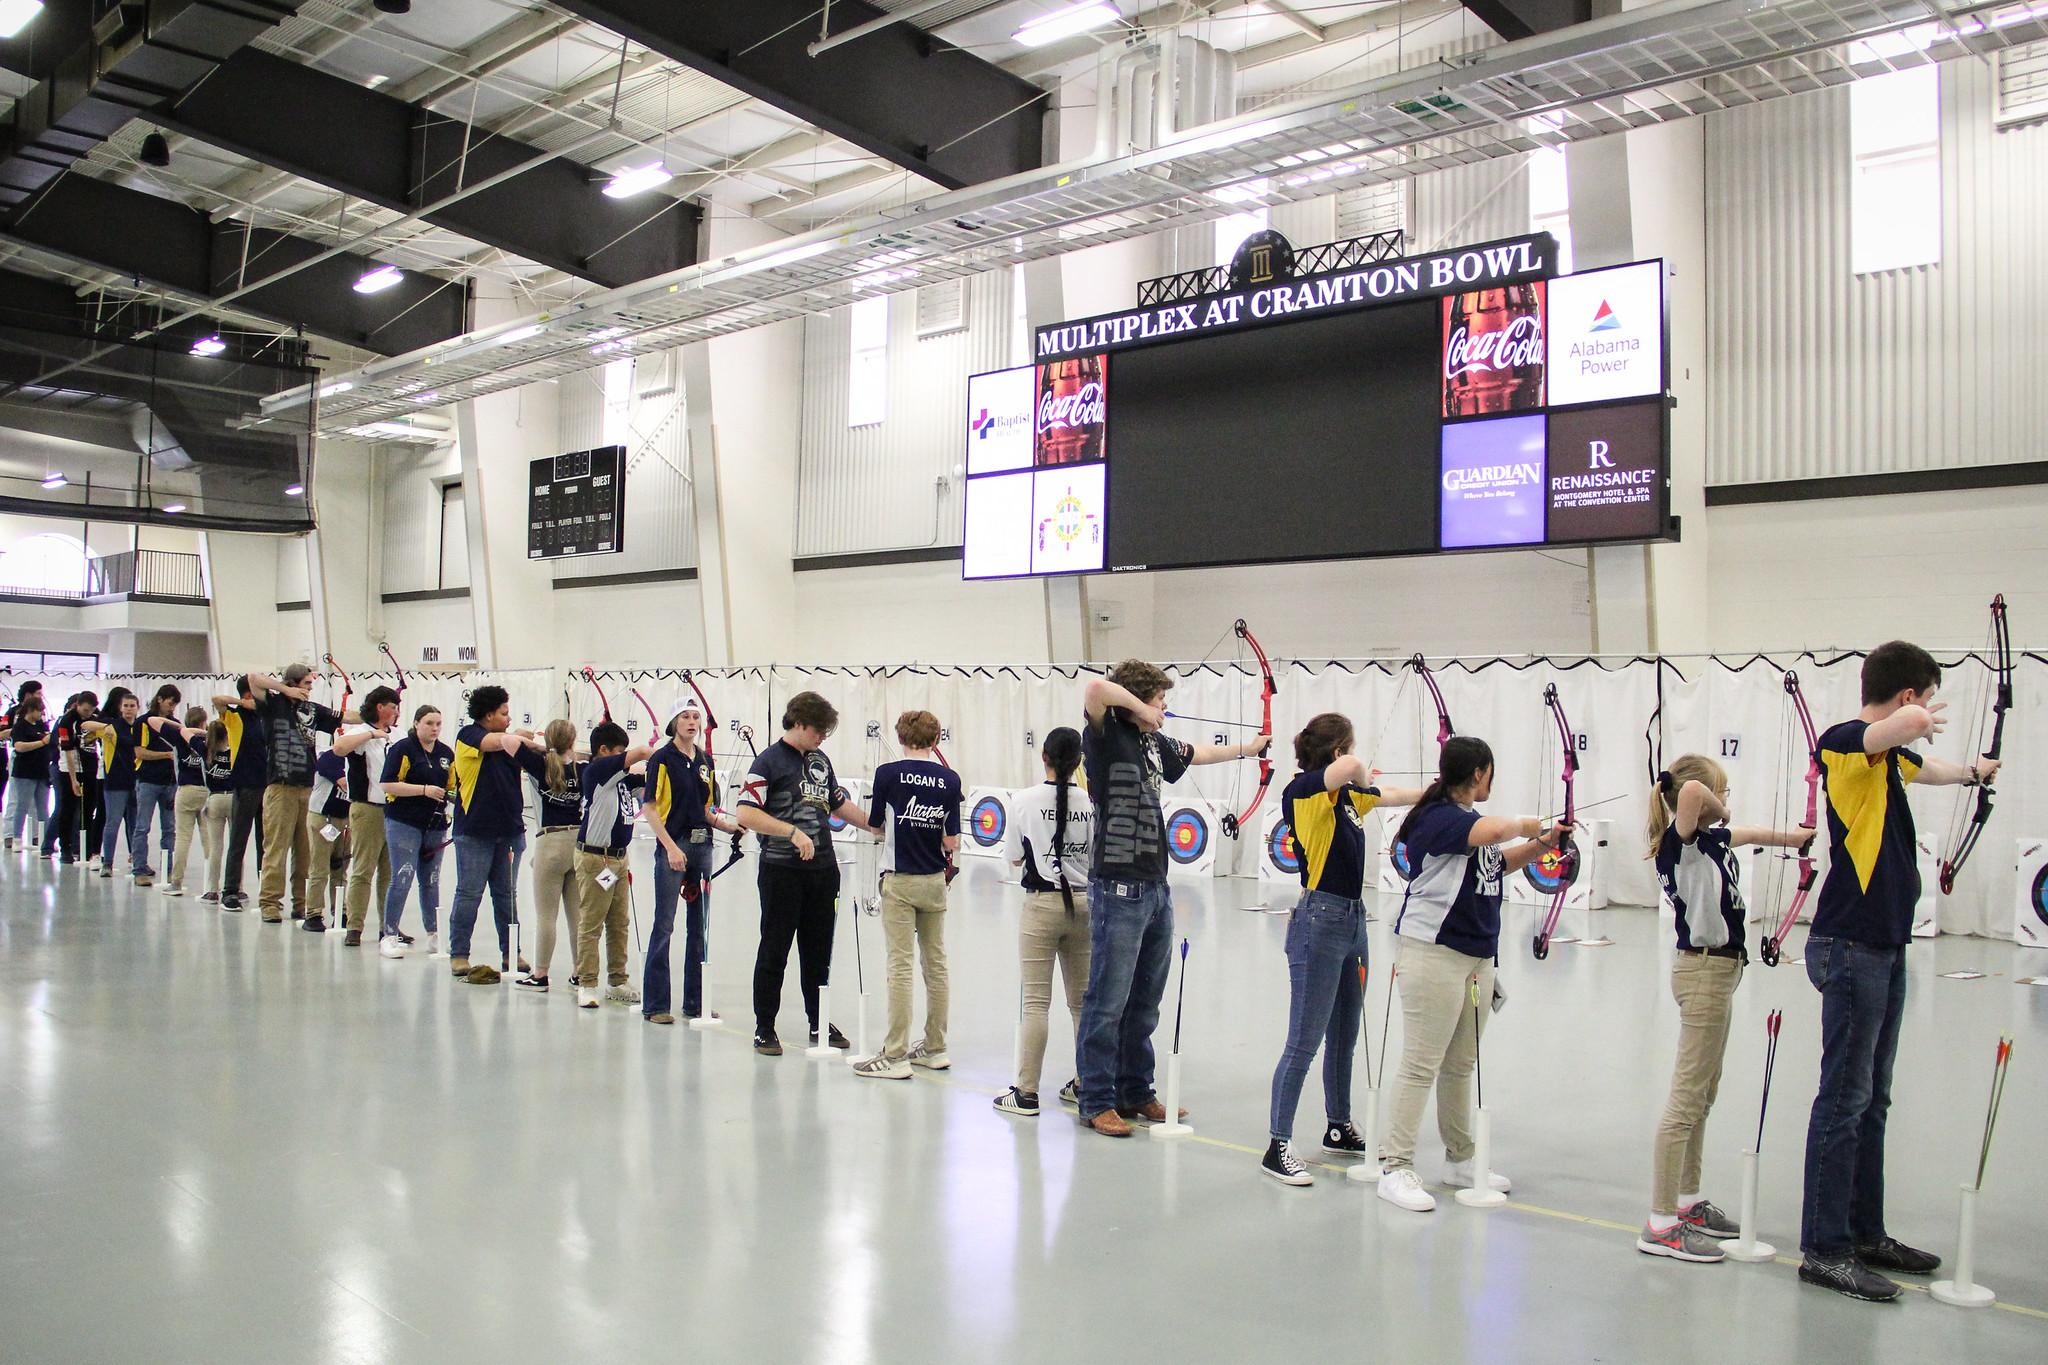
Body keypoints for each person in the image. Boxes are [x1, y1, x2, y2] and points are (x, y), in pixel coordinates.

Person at [1797, 642, 2001, 1302]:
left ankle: (1864, 1232)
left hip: (1882, 947)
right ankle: (1825, 1248)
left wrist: (1973, 770)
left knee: (1872, 1099)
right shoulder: (1846, 744)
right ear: (1910, 693)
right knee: (1844, 1099)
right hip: (1850, 944)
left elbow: (1927, 766)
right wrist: (1914, 715)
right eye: (1924, 695)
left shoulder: (1887, 762)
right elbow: (1892, 730)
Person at [1376, 735, 1570, 1212]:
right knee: (1421, 1063)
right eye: (1491, 773)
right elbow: (1493, 832)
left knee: (1460, 1063)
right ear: (1479, 772)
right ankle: (1395, 1166)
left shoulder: (1468, 826)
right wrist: (1525, 824)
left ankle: (1460, 1158)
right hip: (1433, 952)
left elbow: (1495, 864)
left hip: (1477, 957)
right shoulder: (1441, 818)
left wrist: (1542, 843)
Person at [1074, 660, 1267, 1137]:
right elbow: (1096, 688)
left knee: (1145, 1002)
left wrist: (1249, 749)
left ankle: (1136, 1091)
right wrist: (1141, 707)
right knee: (1107, 1000)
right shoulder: (1105, 733)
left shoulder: (1152, 743)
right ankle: (1096, 1099)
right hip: (1117, 884)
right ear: (1138, 700)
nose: (1165, 708)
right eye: (1160, 700)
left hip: (1156, 885)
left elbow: (1195, 753)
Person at [1634, 755, 1814, 1260]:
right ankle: (1661, 1222)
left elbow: (1749, 832)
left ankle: (1687, 1200)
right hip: (1703, 972)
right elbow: (1692, 796)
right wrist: (1718, 807)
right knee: (1685, 1099)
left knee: (1704, 1093)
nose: (1726, 803)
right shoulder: (1683, 841)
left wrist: (1794, 839)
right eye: (1723, 792)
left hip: (1719, 971)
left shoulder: (1707, 840)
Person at [1261, 714, 1426, 1186]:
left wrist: (1438, 791)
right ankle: (1278, 1144)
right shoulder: (1306, 792)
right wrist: (1357, 767)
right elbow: (1353, 768)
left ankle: (1338, 1124)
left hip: (1353, 921)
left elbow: (1389, 796)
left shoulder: (1346, 798)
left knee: (1344, 1035)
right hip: (1319, 922)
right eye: (1351, 747)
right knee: (1303, 1041)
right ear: (1337, 753)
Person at [735, 690, 880, 1056]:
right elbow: (745, 814)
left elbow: (838, 803)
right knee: (775, 949)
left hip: (823, 871)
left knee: (818, 952)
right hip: (782, 870)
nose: (822, 737)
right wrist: (790, 831)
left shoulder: (819, 759)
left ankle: (819, 1020)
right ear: (798, 723)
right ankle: (764, 1026)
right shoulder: (767, 762)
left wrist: (875, 826)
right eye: (818, 730)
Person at [853, 710, 963, 1080]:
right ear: (936, 740)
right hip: (934, 880)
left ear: (901, 736)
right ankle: (935, 1048)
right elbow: (952, 840)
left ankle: (896, 1054)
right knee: (936, 963)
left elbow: (874, 825)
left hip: (900, 881)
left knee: (899, 965)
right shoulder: (950, 779)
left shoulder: (888, 774)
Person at [995, 728, 1095, 1117]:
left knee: (1036, 1002)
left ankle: (1026, 1092)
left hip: (1042, 907)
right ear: (1079, 762)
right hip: (1085, 906)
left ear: (1045, 758)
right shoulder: (1090, 801)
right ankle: (1087, 1084)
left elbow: (1016, 858)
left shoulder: (1023, 801)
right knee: (1082, 1003)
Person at [640, 703, 741, 1023]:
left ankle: (696, 1001)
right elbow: (651, 809)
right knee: (665, 924)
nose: (692, 722)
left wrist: (729, 825)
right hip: (675, 844)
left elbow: (707, 808)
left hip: (702, 846)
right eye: (685, 716)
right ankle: (656, 1004)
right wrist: (669, 847)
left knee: (700, 926)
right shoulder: (661, 759)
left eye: (696, 717)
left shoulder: (705, 761)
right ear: (673, 722)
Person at [234, 665, 349, 926]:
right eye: (306, 683)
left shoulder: (312, 709)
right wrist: (286, 690)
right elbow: (253, 677)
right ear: (293, 683)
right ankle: (270, 903)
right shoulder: (273, 704)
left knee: (304, 850)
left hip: (306, 787)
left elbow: (343, 717)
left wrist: (375, 720)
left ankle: (301, 903)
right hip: (280, 787)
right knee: (276, 848)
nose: (310, 688)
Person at [448, 685, 544, 978]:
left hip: (509, 830)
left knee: (507, 895)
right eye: (503, 713)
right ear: (488, 715)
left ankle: (511, 952)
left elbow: (527, 751)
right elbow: (496, 741)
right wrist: (517, 738)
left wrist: (539, 744)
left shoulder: (507, 742)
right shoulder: (470, 736)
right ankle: (459, 953)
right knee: (469, 893)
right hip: (475, 830)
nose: (508, 717)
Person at [571, 721, 654, 1009]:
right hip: (597, 859)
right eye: (619, 752)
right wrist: (650, 753)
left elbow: (643, 779)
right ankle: (588, 983)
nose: (624, 757)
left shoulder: (619, 781)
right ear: (603, 751)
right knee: (592, 923)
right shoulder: (597, 772)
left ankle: (617, 980)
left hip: (618, 860)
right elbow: (641, 753)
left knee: (619, 923)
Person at [378, 704, 453, 958]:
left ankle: (433, 933)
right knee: (402, 876)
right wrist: (423, 790)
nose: (434, 728)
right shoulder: (403, 749)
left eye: (438, 724)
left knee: (430, 881)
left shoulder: (446, 753)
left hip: (435, 825)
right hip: (404, 822)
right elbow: (387, 784)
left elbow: (453, 787)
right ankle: (389, 934)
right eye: (429, 723)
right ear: (416, 724)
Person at [517, 718, 584, 993]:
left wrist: (541, 748)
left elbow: (512, 740)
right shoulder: (584, 768)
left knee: (546, 915)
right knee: (577, 915)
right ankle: (581, 973)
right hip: (578, 841)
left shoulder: (540, 764)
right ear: (573, 740)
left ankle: (540, 974)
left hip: (550, 841)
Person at [334, 687, 402, 948]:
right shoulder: (360, 733)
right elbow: (339, 748)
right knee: (363, 869)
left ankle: (389, 928)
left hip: (393, 810)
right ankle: (355, 926)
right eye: (392, 707)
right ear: (379, 707)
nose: (396, 712)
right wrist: (371, 734)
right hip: (367, 808)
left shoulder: (396, 735)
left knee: (390, 872)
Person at [213, 677, 268, 911]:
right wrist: (242, 703)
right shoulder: (236, 716)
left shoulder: (267, 718)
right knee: (238, 840)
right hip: (246, 785)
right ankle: (230, 891)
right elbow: (218, 700)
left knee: (265, 843)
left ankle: (266, 891)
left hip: (268, 785)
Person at [82, 688, 142, 880]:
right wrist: (104, 726)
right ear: (120, 707)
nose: (129, 709)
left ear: (137, 708)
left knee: (135, 822)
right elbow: (86, 725)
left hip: (137, 780)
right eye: (125, 706)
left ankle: (136, 860)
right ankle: (107, 862)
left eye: (132, 706)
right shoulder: (112, 725)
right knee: (112, 821)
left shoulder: (142, 727)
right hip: (115, 781)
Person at [129, 684, 184, 888]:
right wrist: (167, 755)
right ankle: (139, 869)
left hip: (170, 783)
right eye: (170, 703)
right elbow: (139, 752)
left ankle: (168, 870)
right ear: (160, 699)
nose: (172, 708)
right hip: (147, 781)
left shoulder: (175, 724)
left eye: (175, 704)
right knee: (142, 826)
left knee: (169, 828)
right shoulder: (143, 723)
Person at [164, 706, 213, 897]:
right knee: (208, 838)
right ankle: (212, 882)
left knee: (183, 837)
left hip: (186, 790)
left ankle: (176, 882)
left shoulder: (179, 738)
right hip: (206, 790)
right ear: (204, 722)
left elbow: (154, 722)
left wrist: (178, 726)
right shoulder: (209, 738)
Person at [52, 693, 103, 868]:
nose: (87, 714)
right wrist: (73, 779)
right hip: (69, 769)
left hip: (91, 769)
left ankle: (86, 849)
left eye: (91, 711)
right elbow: (67, 751)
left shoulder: (95, 718)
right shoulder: (66, 721)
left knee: (89, 810)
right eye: (84, 710)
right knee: (67, 809)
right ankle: (65, 847)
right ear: (77, 705)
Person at [305, 745, 353, 927]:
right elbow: (346, 783)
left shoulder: (358, 761)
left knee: (340, 869)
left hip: (344, 819)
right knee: (320, 867)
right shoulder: (330, 758)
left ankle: (340, 910)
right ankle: (314, 913)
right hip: (323, 818)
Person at [4, 691, 50, 850]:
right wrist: (42, 742)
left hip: (42, 771)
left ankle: (45, 839)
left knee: (42, 807)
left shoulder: (42, 726)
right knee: (21, 805)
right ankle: (16, 837)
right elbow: (19, 747)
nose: (41, 714)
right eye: (39, 711)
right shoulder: (20, 727)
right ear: (31, 710)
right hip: (25, 772)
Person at [198, 714, 236, 903]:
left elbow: (185, 732)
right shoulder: (234, 751)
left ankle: (212, 890)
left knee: (216, 847)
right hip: (234, 799)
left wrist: (205, 732)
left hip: (214, 799)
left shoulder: (206, 751)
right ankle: (236, 889)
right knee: (235, 847)